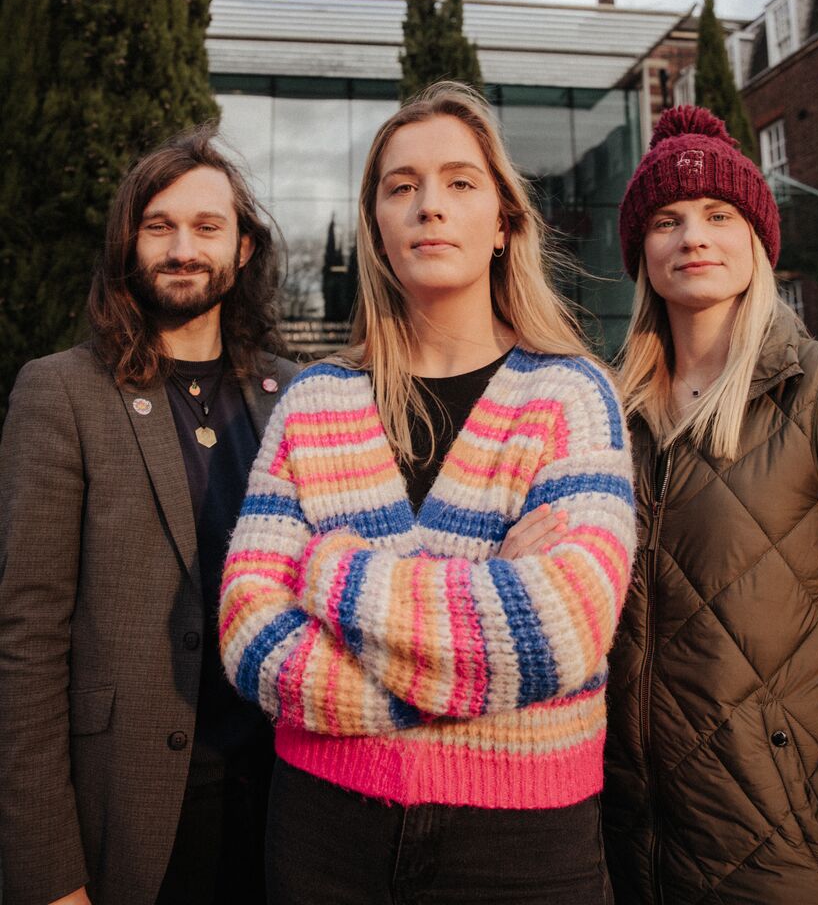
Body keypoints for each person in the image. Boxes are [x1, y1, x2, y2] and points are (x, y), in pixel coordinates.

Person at [220, 81, 636, 905]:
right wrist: (479, 634)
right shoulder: (314, 401)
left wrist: (331, 571)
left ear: (503, 223)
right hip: (323, 830)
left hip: (523, 842)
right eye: (400, 187)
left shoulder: (570, 395)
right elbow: (249, 634)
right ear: (376, 224)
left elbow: (567, 624)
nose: (427, 206)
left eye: (458, 182)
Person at [0, 125, 297, 905]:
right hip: (132, 811)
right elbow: (25, 639)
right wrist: (47, 873)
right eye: (158, 226)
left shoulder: (299, 394)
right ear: (128, 243)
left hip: (287, 807)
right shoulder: (60, 393)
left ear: (242, 249)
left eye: (206, 227)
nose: (181, 248)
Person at [602, 104, 818, 904]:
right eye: (666, 220)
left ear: (756, 239)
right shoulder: (601, 413)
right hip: (616, 840)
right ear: (641, 251)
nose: (692, 238)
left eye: (719, 214)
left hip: (779, 840)